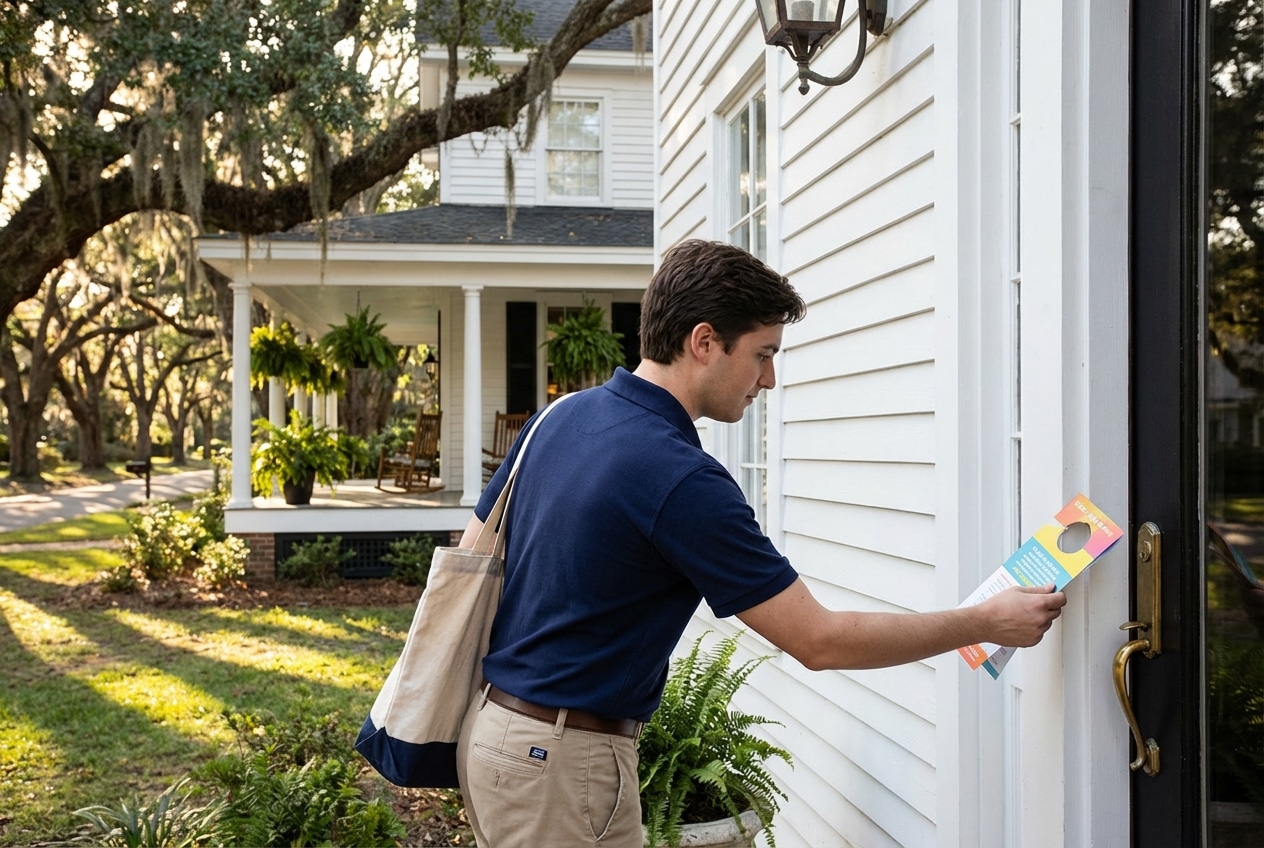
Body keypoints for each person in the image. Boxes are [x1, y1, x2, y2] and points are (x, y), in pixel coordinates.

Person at [455, 239, 1067, 847]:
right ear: (703, 342)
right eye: (762, 354)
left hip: (495, 736)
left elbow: (475, 552)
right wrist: (985, 620)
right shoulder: (679, 476)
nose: (769, 380)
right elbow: (818, 640)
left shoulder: (556, 419)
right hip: (559, 763)